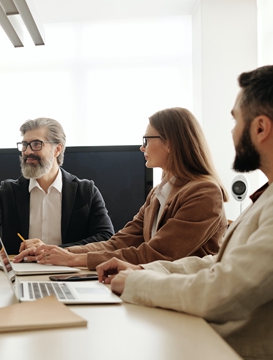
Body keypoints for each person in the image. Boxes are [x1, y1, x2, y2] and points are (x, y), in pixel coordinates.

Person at [96, 65, 273, 359]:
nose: (231, 132)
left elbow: (223, 290)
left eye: (235, 121)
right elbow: (216, 263)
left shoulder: (208, 192)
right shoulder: (265, 196)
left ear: (260, 128)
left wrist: (139, 282)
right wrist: (143, 271)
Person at [15, 108, 228, 270]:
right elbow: (118, 242)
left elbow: (158, 254)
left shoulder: (204, 193)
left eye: (147, 139)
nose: (142, 147)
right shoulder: (158, 193)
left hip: (184, 298)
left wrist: (75, 259)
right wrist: (59, 252)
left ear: (170, 143)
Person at [0, 117, 114, 254]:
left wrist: (53, 251)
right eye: (25, 145)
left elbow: (106, 237)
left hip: (71, 273)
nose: (27, 152)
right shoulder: (8, 191)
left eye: (36, 144)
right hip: (21, 273)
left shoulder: (86, 191)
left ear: (57, 149)